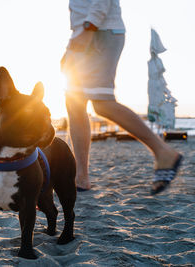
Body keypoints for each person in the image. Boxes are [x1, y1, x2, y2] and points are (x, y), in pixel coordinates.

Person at [61, 0, 182, 195]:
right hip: (86, 32)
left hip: (99, 31)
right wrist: (77, 37)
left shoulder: (93, 27)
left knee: (102, 104)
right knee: (74, 101)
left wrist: (89, 27)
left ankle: (163, 152)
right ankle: (81, 177)